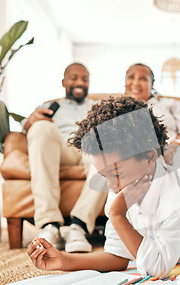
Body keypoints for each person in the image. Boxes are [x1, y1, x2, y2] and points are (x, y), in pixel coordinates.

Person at [27, 95, 180, 277]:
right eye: (104, 176)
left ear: (149, 157)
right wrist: (64, 261)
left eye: (116, 174)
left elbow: (157, 268)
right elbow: (117, 257)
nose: (112, 186)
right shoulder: (120, 185)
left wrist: (117, 215)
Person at [22, 63, 108, 253]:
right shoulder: (48, 106)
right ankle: (49, 225)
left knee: (109, 144)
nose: (79, 82)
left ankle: (78, 226)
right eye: (74, 78)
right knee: (40, 127)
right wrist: (29, 122)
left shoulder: (98, 106)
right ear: (64, 82)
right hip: (61, 149)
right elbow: (27, 130)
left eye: (84, 79)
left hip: (90, 149)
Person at [124, 63, 180, 181]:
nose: (136, 83)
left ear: (152, 84)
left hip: (171, 152)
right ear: (125, 81)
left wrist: (174, 146)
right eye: (131, 77)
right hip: (137, 155)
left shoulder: (170, 104)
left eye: (143, 79)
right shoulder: (115, 107)